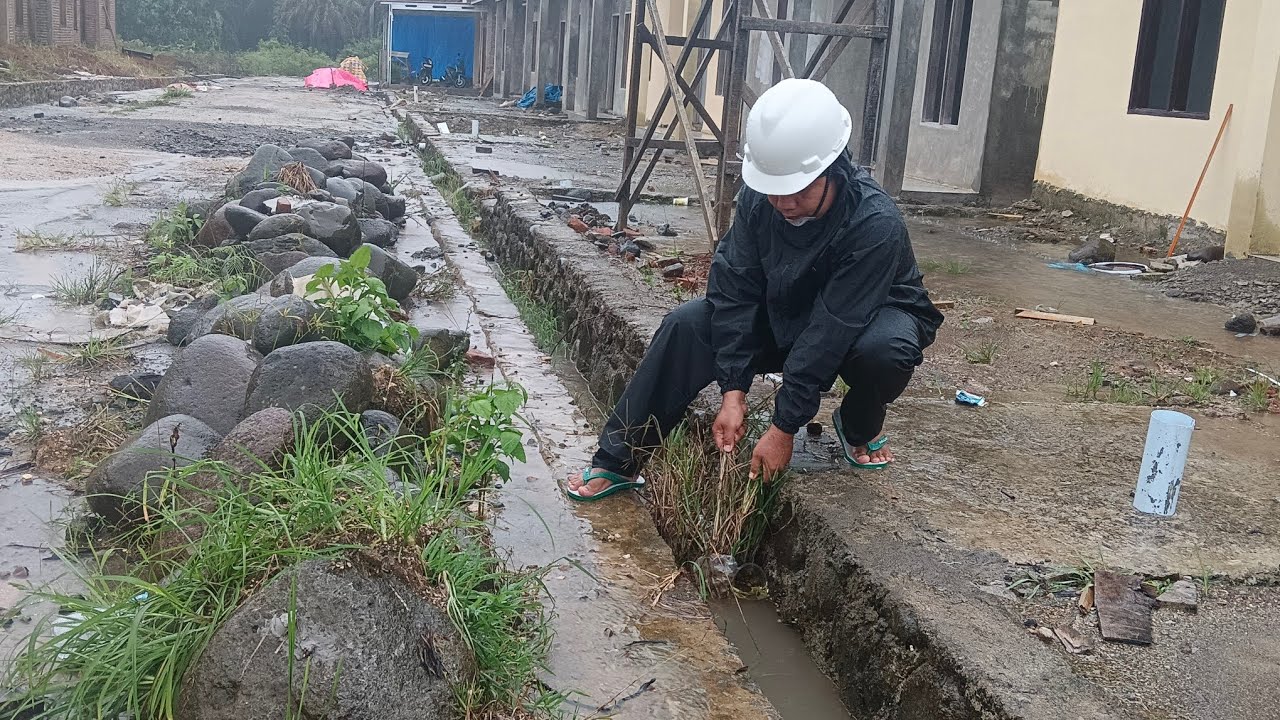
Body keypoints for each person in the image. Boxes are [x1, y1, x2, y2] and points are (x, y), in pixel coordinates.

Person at [566, 78, 943, 501]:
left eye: (796, 190)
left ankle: (859, 425)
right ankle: (618, 461)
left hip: (863, 323)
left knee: (886, 351)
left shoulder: (874, 224)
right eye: (773, 190)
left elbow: (834, 326)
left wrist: (784, 427)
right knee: (685, 325)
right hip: (786, 311)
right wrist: (733, 391)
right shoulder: (757, 200)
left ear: (832, 170)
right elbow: (734, 290)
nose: (782, 203)